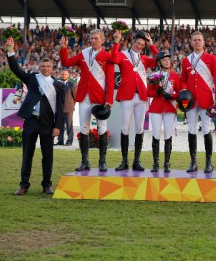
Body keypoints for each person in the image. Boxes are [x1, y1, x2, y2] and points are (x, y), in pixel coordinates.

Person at [7, 37, 65, 196]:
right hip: (31, 120)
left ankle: (47, 185)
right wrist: (11, 51)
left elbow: (60, 109)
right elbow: (16, 70)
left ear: (53, 68)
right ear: (39, 67)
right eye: (43, 66)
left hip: (48, 123)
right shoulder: (32, 79)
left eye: (48, 66)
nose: (45, 68)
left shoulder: (58, 85)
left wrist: (58, 126)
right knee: (27, 154)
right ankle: (23, 185)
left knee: (48, 156)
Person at [60, 29, 118, 171]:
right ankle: (85, 161)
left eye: (96, 38)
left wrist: (109, 100)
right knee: (84, 129)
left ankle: (102, 162)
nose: (93, 41)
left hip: (99, 97)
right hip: (84, 96)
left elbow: (110, 81)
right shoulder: (83, 53)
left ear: (102, 40)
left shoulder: (107, 56)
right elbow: (66, 61)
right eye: (91, 38)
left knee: (102, 129)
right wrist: (64, 47)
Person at [111, 31, 158, 172]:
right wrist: (116, 42)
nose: (139, 46)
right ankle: (124, 160)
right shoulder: (123, 54)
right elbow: (113, 59)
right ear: (133, 43)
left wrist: (151, 46)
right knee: (125, 127)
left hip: (141, 96)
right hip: (127, 95)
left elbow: (159, 60)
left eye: (142, 45)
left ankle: (136, 160)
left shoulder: (144, 58)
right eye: (138, 43)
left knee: (139, 128)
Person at [180, 31, 216, 173]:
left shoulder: (211, 58)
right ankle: (193, 162)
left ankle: (208, 162)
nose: (197, 42)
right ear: (191, 43)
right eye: (194, 40)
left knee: (206, 128)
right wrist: (184, 93)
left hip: (206, 99)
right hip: (191, 100)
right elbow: (183, 80)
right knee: (191, 128)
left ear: (203, 42)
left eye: (199, 40)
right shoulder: (186, 60)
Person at [147, 51, 181, 173]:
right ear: (159, 62)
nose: (167, 61)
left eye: (168, 59)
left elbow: (179, 92)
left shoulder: (175, 76)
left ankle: (167, 163)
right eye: (164, 60)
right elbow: (148, 92)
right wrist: (156, 92)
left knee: (168, 135)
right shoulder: (154, 75)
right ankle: (156, 163)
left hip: (169, 108)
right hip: (156, 108)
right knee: (156, 134)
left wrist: (171, 96)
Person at [55, 68, 77, 146]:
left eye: (65, 74)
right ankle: (60, 140)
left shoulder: (72, 85)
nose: (64, 75)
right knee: (60, 125)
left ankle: (69, 140)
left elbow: (75, 97)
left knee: (69, 126)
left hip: (68, 109)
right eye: (62, 74)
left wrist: (71, 105)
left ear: (68, 75)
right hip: (59, 109)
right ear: (60, 74)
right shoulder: (56, 84)